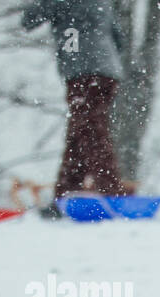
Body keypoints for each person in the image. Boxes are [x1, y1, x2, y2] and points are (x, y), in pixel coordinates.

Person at [21, 0, 129, 202]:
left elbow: (28, 19)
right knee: (80, 132)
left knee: (90, 131)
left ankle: (111, 191)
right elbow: (119, 39)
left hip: (82, 73)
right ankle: (65, 193)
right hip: (108, 72)